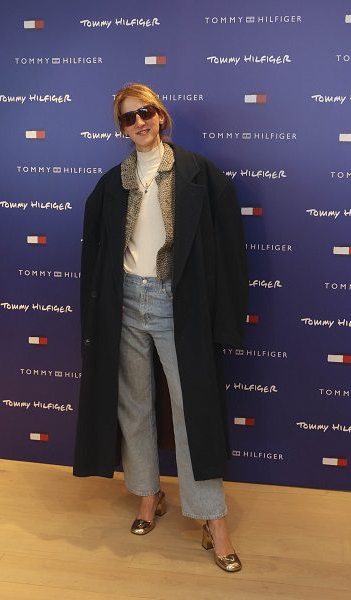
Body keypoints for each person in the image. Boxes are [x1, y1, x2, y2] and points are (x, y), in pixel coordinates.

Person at [73, 83, 248, 572]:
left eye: (145, 112)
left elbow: (230, 253)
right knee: (134, 406)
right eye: (129, 118)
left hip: (179, 303)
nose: (140, 123)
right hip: (126, 301)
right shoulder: (112, 184)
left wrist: (228, 318)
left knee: (193, 410)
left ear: (161, 115)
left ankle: (213, 518)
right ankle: (148, 495)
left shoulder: (199, 174)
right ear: (121, 128)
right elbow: (96, 258)